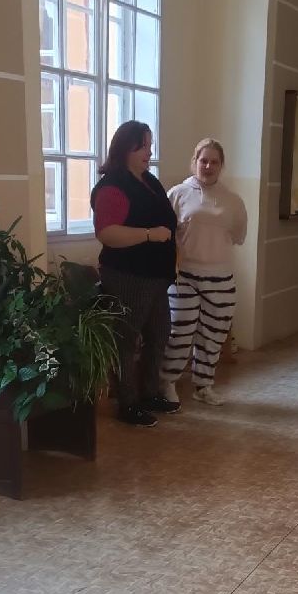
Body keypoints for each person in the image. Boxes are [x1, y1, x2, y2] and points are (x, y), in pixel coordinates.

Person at [91, 121, 179, 427]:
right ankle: (127, 402)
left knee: (159, 333)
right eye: (143, 146)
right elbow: (107, 233)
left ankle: (149, 392)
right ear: (125, 148)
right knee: (126, 339)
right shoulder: (112, 186)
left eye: (150, 145)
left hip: (156, 276)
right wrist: (149, 234)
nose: (149, 152)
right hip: (127, 275)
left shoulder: (148, 181)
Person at [161, 138, 246, 407]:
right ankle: (167, 383)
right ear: (195, 161)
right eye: (203, 160)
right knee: (179, 333)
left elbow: (238, 236)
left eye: (214, 162)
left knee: (213, 335)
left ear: (221, 165)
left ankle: (203, 386)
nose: (208, 166)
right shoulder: (177, 194)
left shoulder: (233, 201)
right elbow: (167, 235)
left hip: (221, 277)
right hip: (183, 276)